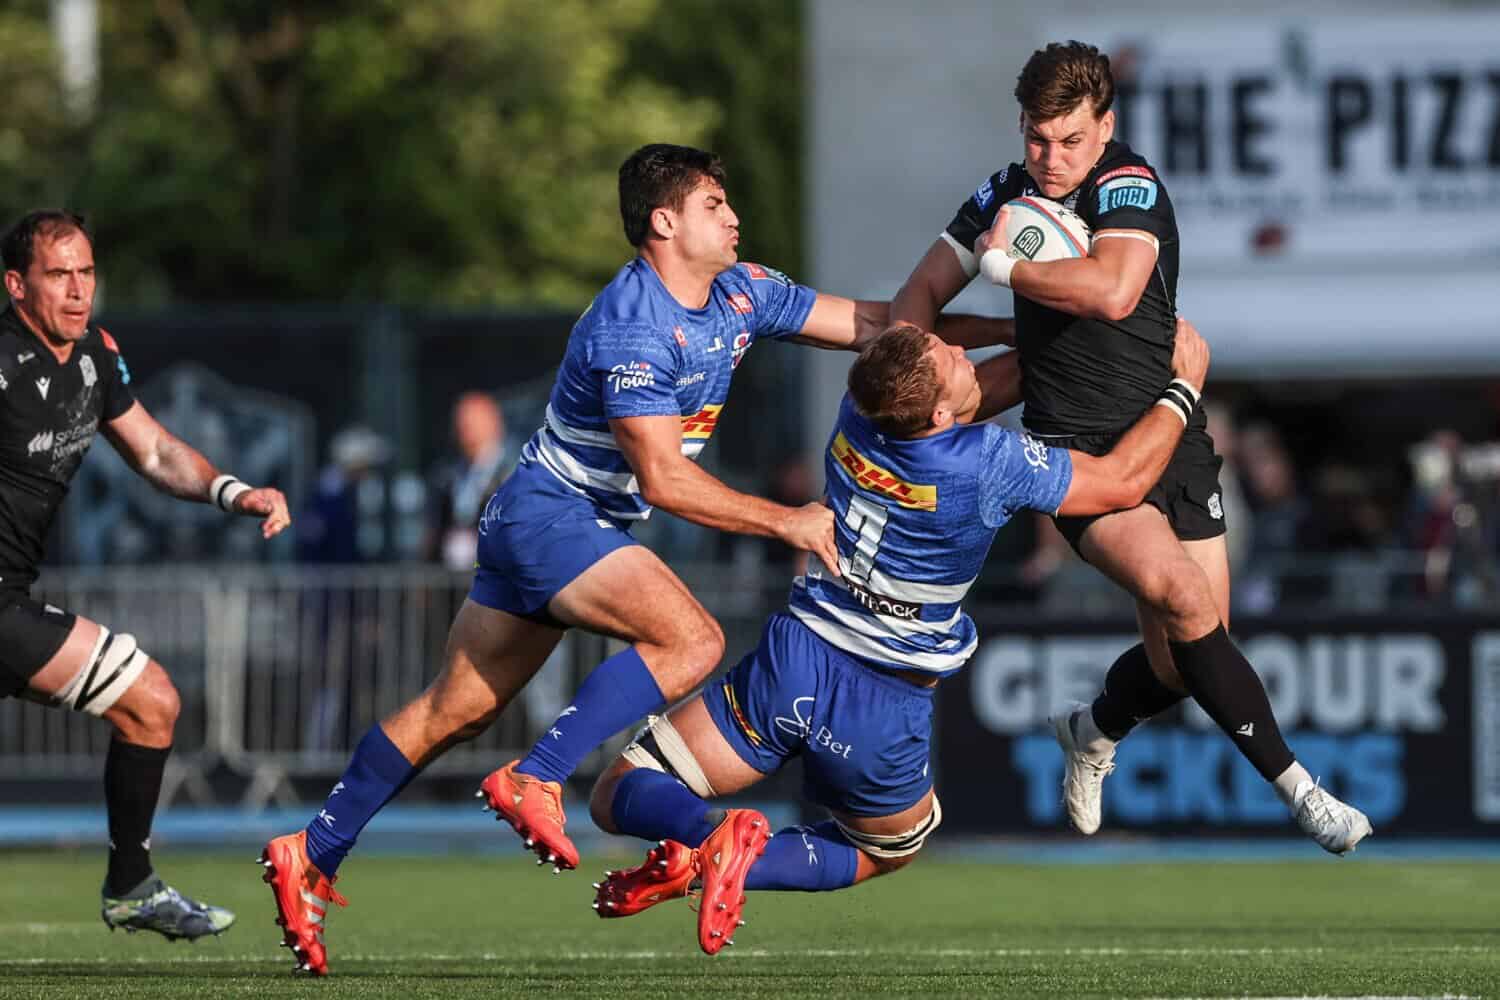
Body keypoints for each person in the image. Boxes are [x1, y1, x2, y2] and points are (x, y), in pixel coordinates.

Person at [258, 143, 1011, 976]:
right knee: (692, 639)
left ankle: (312, 850)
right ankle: (541, 775)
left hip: (556, 524)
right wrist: (787, 521)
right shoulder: (634, 325)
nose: (733, 217)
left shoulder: (741, 291)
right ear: (664, 222)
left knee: (453, 710)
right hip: (553, 518)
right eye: (714, 204)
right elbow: (663, 478)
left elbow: (881, 329)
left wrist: (1021, 332)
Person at [585, 318, 1208, 954]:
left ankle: (708, 835)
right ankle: (735, 861)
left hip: (797, 656)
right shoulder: (987, 461)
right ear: (938, 414)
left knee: (617, 791)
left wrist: (1051, 340)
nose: (963, 352)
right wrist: (1183, 387)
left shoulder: (859, 410)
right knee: (885, 849)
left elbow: (980, 387)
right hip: (881, 696)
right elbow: (1122, 481)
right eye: (952, 357)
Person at [891, 41, 1371, 852]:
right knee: (1183, 598)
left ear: (1105, 127)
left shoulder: (1127, 183)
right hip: (1074, 456)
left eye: (1070, 140)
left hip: (1170, 433)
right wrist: (974, 341)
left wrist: (1007, 268)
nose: (1051, 158)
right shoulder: (1004, 194)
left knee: (1189, 659)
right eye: (1037, 138)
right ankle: (1304, 791)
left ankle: (1091, 729)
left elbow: (1113, 291)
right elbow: (917, 299)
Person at [0, 210, 291, 939]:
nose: (78, 290)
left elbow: (156, 453)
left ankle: (131, 886)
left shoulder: (96, 357)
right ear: (16, 286)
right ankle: (130, 886)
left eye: (86, 272)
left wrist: (232, 492)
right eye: (58, 274)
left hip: (10, 600)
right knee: (151, 697)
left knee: (149, 703)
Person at [423, 392, 514, 570]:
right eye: (461, 423)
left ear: (494, 424)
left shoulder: (513, 474)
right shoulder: (447, 476)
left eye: (472, 423)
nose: (465, 429)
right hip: (451, 576)